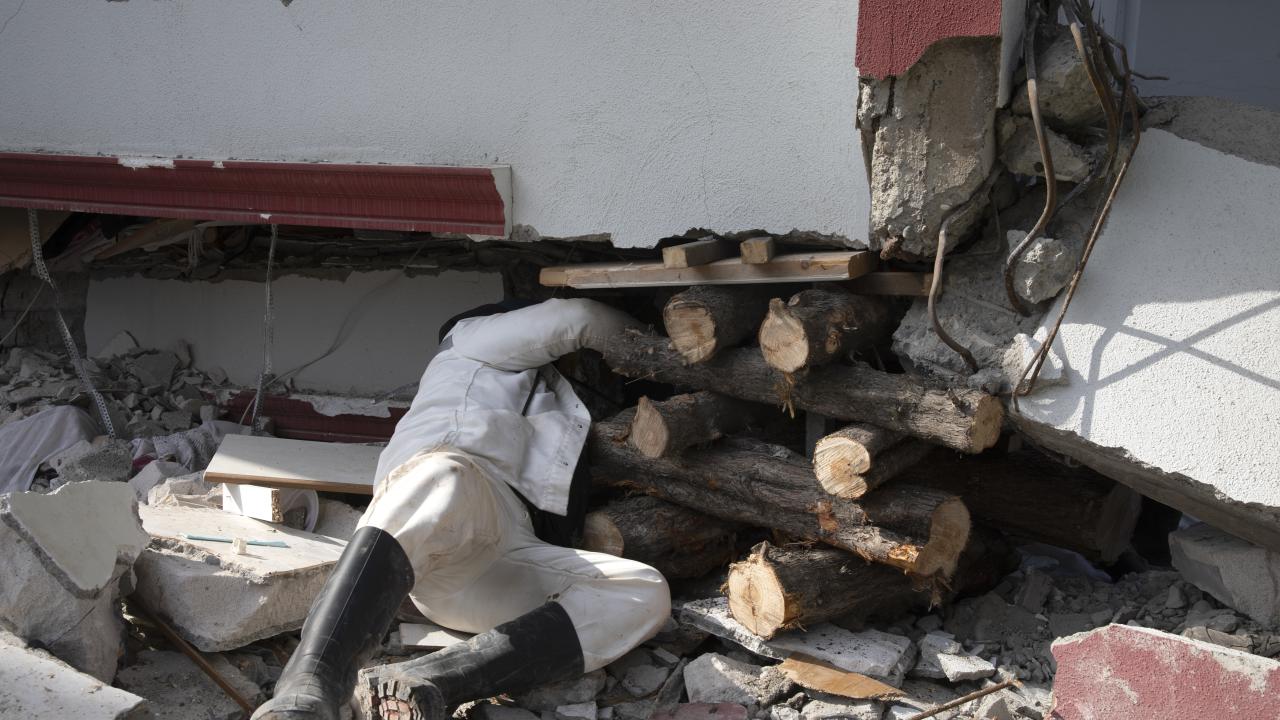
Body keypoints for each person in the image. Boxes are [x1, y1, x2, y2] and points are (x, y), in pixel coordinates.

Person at [252, 298, 671, 720]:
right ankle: (307, 688)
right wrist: (668, 361)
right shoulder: (471, 339)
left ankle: (427, 681)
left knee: (644, 591)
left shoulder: (557, 400)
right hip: (451, 498)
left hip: (490, 560)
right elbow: (579, 317)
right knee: (444, 478)